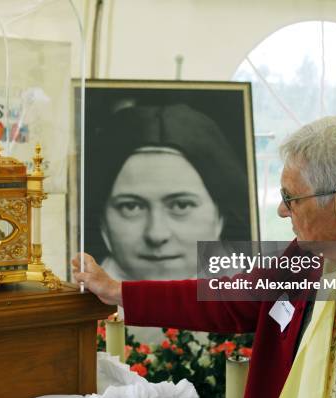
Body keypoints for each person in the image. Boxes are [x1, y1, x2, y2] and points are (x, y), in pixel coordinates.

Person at [74, 113, 336, 398]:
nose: (283, 211)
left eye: (292, 198)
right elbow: (235, 298)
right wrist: (117, 290)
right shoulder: (315, 252)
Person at [85, 104, 252, 281]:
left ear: (220, 216)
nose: (156, 234)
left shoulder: (250, 298)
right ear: (102, 220)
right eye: (131, 207)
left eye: (181, 205)